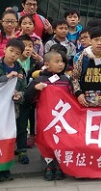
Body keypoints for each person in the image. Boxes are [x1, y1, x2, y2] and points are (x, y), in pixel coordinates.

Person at [0, 38, 29, 181]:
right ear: (4, 49)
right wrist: (6, 77)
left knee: (8, 139)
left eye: (17, 53)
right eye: (11, 51)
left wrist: (19, 96)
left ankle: (5, 168)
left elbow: (24, 89)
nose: (13, 55)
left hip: (12, 109)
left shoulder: (20, 68)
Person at [22, 50, 71, 181]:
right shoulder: (39, 80)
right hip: (46, 118)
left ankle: (60, 165)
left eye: (62, 62)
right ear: (47, 64)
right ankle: (48, 166)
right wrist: (35, 89)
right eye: (57, 62)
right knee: (46, 141)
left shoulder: (66, 80)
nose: (61, 64)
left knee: (62, 140)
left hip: (63, 118)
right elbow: (27, 98)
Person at [72, 27, 101, 108]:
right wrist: (78, 93)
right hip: (83, 100)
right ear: (90, 41)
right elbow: (74, 78)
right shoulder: (82, 57)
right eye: (96, 40)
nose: (99, 43)